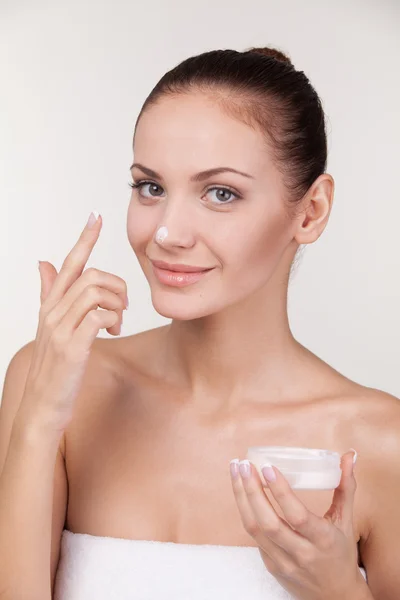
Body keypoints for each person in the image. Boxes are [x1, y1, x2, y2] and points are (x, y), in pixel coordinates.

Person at [0, 46, 399, 600]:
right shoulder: (56, 387)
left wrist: (337, 589)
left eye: (220, 193)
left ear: (311, 212)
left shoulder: (380, 445)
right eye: (151, 187)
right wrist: (39, 418)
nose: (167, 232)